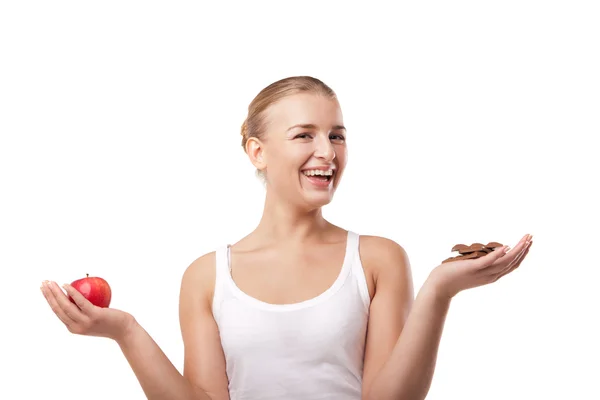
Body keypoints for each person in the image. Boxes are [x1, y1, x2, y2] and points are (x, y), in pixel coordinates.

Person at [40, 76, 533, 400]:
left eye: (337, 135)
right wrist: (125, 331)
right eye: (304, 135)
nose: (328, 152)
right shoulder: (207, 276)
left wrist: (438, 292)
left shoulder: (378, 259)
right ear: (257, 151)